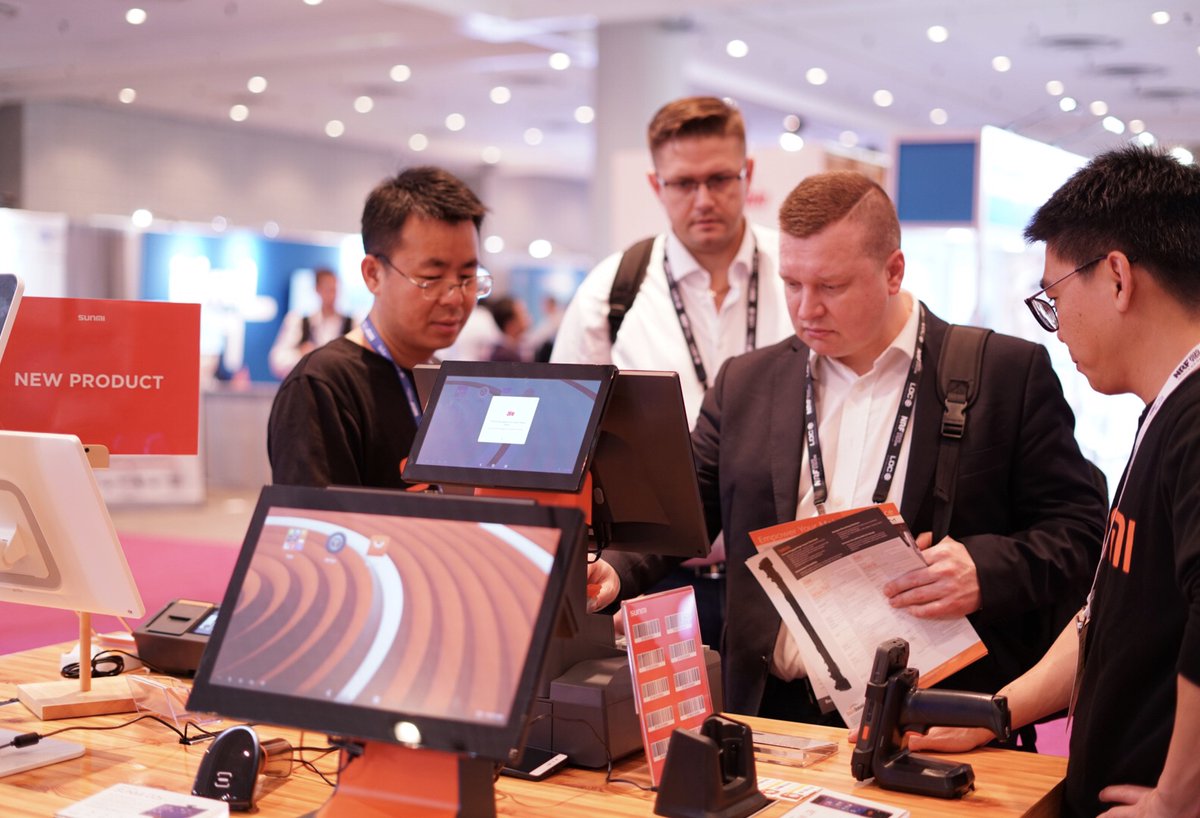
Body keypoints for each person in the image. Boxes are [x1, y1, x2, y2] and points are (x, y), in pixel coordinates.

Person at [589, 170, 1107, 735]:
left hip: (935, 722)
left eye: (831, 287)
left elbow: (1080, 533)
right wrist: (614, 571)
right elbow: (682, 508)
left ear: (893, 271)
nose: (806, 309)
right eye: (791, 284)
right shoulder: (746, 384)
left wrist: (985, 570)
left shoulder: (1003, 374)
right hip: (770, 716)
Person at [909, 147, 1200, 818]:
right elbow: (1107, 611)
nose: (1057, 325)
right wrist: (995, 711)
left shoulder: (1194, 419)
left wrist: (1179, 796)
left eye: (1055, 297)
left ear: (1118, 278)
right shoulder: (1165, 410)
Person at [551, 95, 793, 649]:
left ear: (748, 172)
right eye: (683, 183)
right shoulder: (612, 292)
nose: (703, 200)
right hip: (654, 579)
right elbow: (564, 441)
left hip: (784, 579)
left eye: (720, 179)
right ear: (655, 184)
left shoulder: (795, 275)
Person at [267, 166, 488, 488]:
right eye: (431, 278)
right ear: (373, 274)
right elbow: (317, 520)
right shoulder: (322, 386)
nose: (455, 297)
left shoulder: (448, 384)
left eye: (468, 277)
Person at [268, 267, 355, 378]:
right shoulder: (299, 321)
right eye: (327, 289)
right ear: (317, 289)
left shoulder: (352, 323)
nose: (332, 295)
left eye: (334, 289)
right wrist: (301, 354)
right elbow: (277, 361)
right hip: (308, 385)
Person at [486, 295, 532, 362]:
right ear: (511, 324)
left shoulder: (515, 349)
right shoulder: (503, 357)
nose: (528, 317)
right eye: (523, 313)